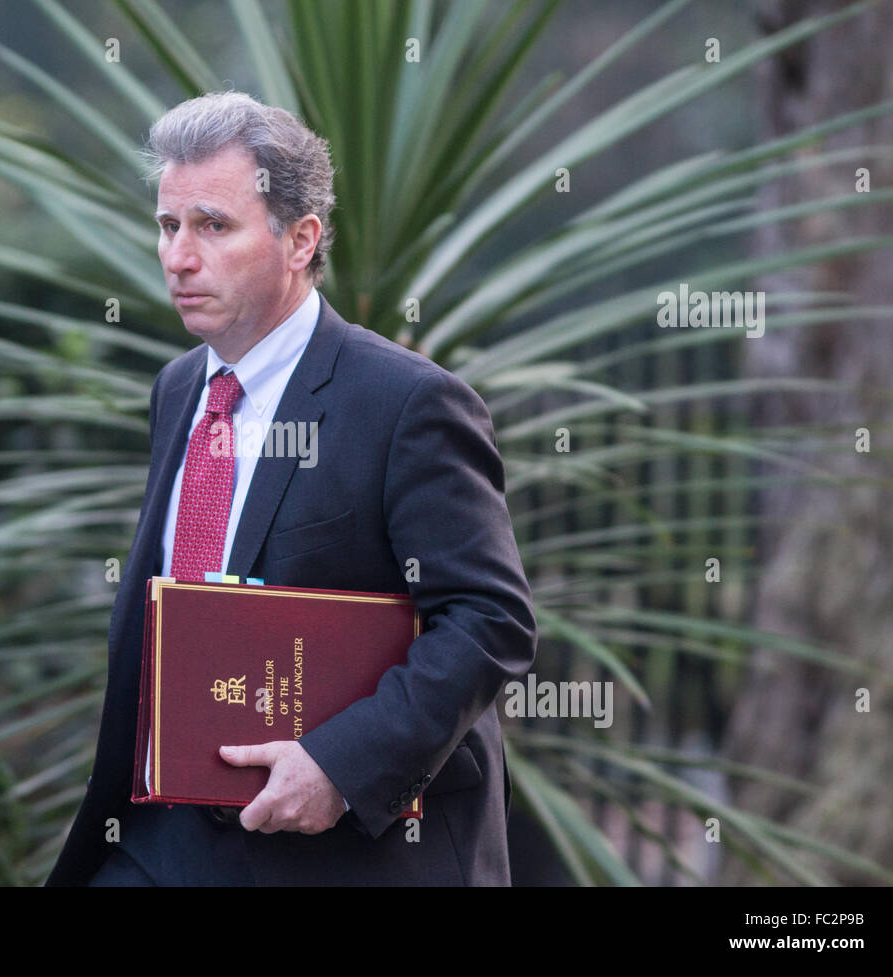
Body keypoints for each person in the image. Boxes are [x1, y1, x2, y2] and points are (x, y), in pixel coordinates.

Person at [45, 91, 536, 885]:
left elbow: (490, 619)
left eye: (213, 225)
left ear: (301, 239)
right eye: (169, 225)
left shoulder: (409, 403)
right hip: (159, 841)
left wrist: (339, 766)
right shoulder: (178, 389)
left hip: (347, 853)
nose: (177, 256)